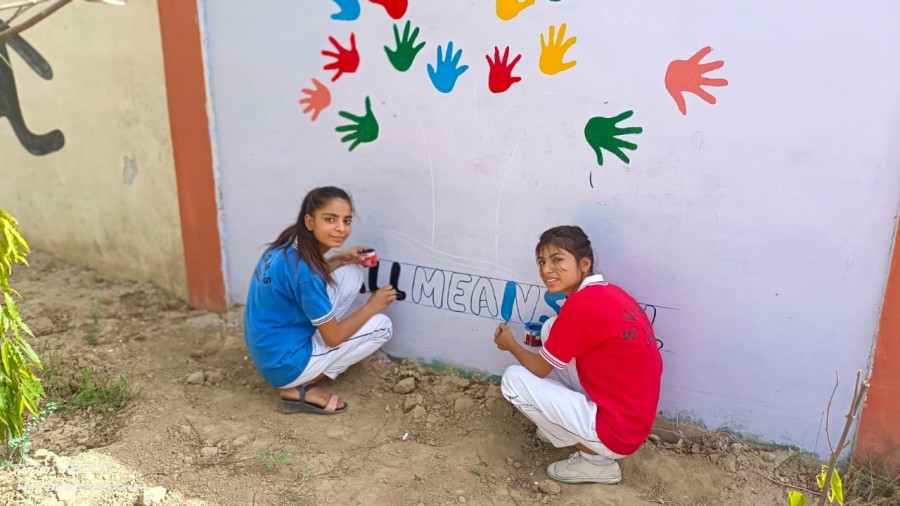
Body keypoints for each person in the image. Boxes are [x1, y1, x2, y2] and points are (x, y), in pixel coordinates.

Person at [493, 225, 662, 484]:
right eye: (542, 262)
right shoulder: (608, 292)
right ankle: (562, 424)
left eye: (557, 260)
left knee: (513, 381)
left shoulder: (581, 305)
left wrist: (511, 344)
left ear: (584, 264)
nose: (546, 270)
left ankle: (597, 463)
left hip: (617, 434)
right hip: (631, 418)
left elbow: (539, 369)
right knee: (552, 328)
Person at [244, 186, 398, 415]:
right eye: (330, 219)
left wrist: (340, 259)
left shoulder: (288, 244)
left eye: (346, 221)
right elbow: (333, 338)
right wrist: (371, 306)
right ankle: (301, 386)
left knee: (350, 273)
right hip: (284, 364)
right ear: (309, 221)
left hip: (269, 347)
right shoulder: (305, 272)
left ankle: (312, 352)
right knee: (382, 326)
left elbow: (301, 281)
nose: (341, 228)